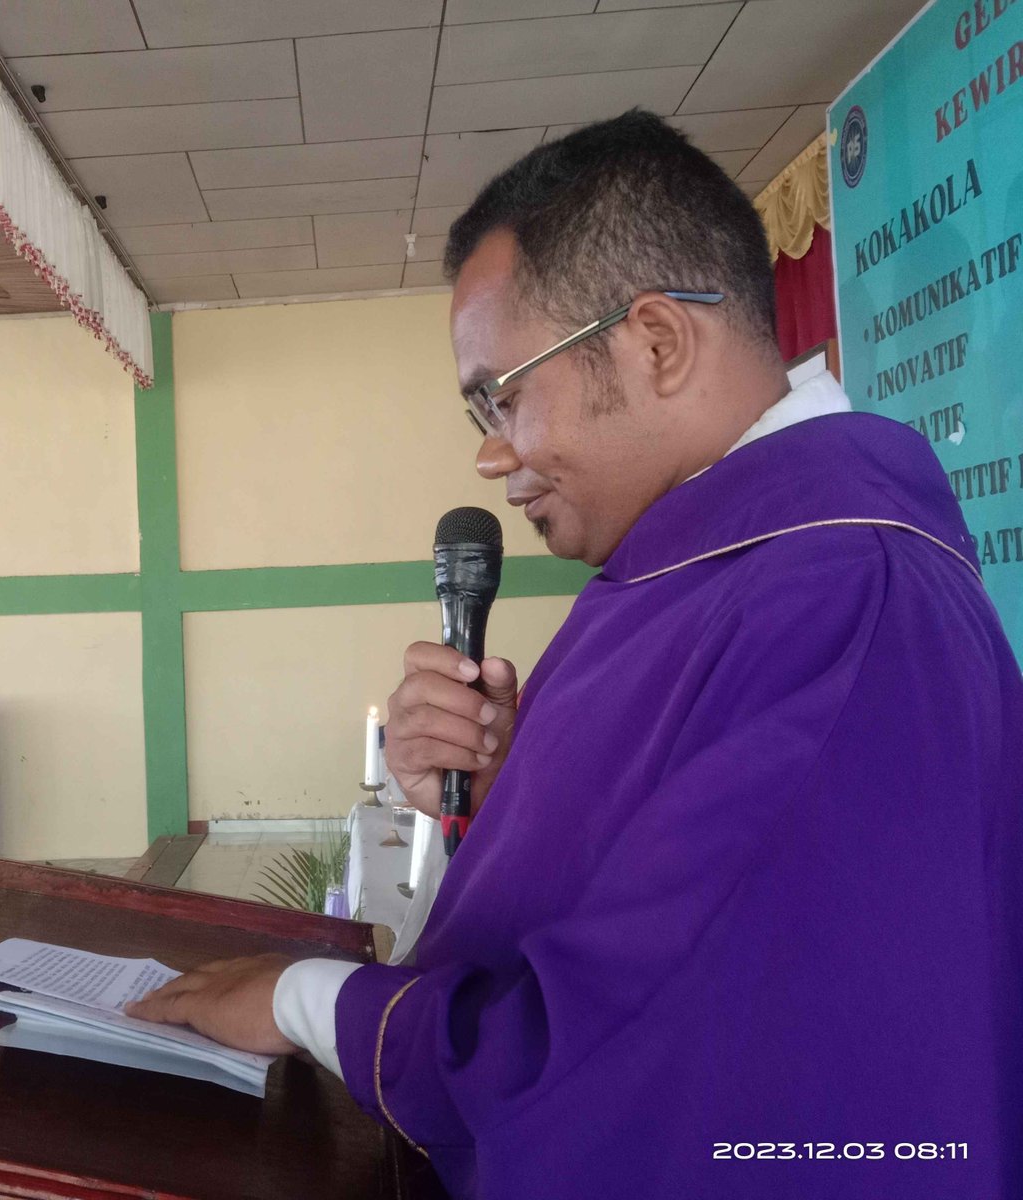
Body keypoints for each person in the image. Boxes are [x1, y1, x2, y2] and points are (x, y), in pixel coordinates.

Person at [127, 110, 1022, 1198]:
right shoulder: (726, 562)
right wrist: (510, 790)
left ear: (657, 343)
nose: (490, 452)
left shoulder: (842, 603)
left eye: (503, 395)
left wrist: (301, 1001)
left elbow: (659, 1061)